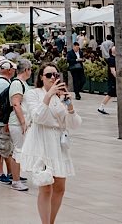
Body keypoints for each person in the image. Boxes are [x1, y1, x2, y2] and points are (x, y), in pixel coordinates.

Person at [18, 63, 81, 224]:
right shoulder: (33, 94)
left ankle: (51, 221)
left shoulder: (61, 97)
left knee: (60, 186)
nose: (53, 78)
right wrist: (48, 95)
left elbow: (74, 124)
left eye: (55, 74)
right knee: (45, 185)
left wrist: (70, 105)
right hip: (41, 141)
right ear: (41, 77)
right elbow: (38, 116)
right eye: (48, 75)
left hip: (58, 143)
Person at [7, 59, 32, 191]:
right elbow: (16, 103)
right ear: (26, 70)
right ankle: (15, 180)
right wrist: (23, 122)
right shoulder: (17, 84)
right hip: (17, 123)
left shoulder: (22, 83)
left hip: (21, 122)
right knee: (18, 150)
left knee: (20, 150)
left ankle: (16, 177)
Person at [0, 60, 16, 187]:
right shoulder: (2, 83)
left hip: (2, 120)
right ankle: (1, 173)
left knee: (7, 147)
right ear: (8, 70)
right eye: (12, 69)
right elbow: (4, 104)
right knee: (3, 147)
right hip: (2, 121)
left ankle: (10, 172)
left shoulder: (1, 81)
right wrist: (6, 120)